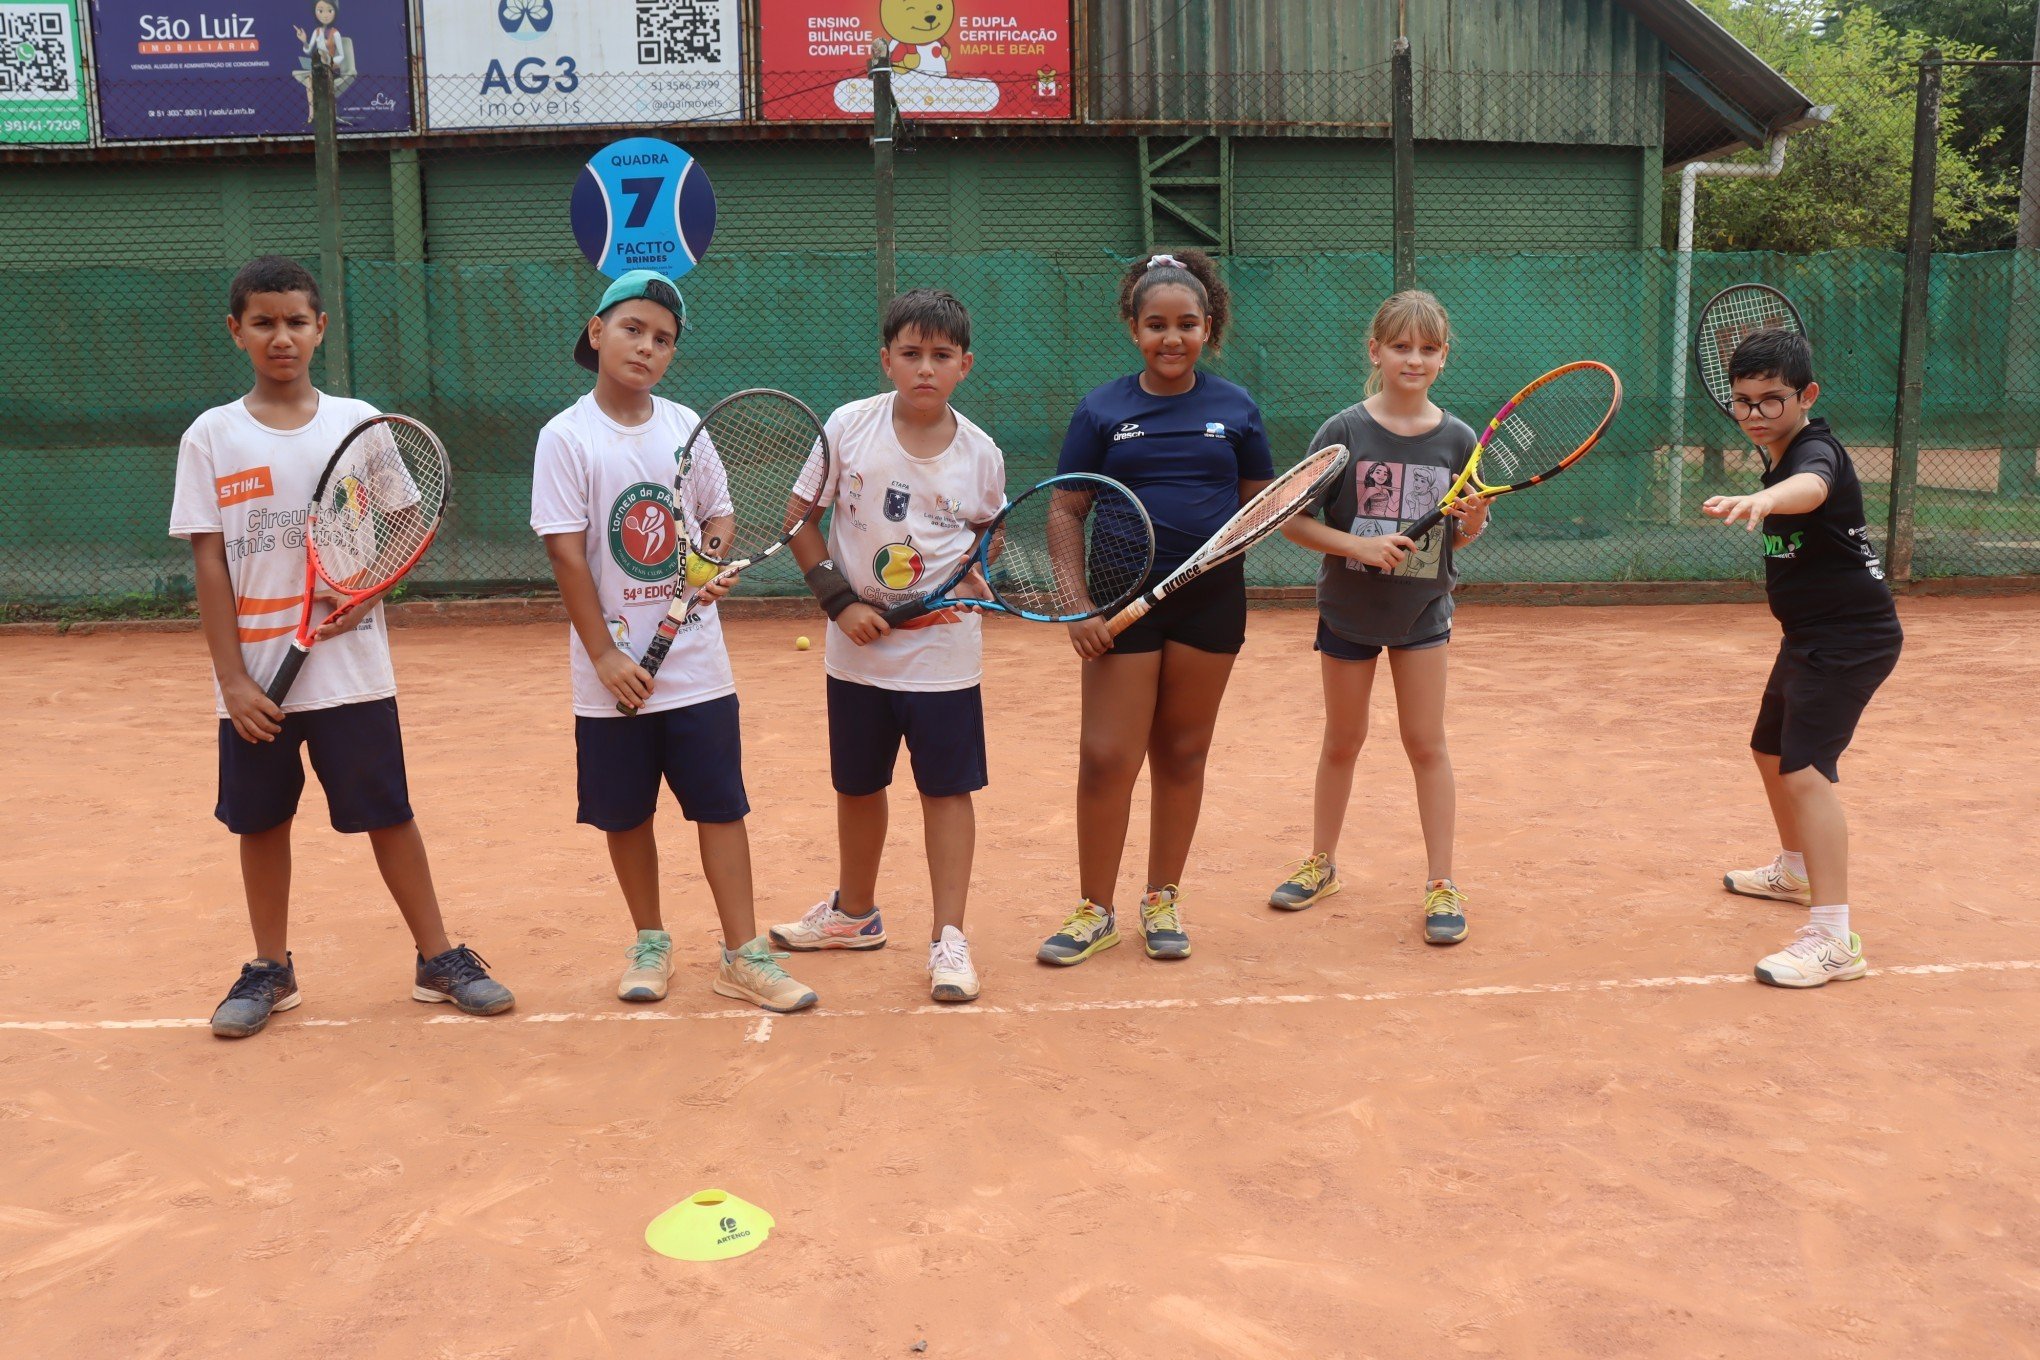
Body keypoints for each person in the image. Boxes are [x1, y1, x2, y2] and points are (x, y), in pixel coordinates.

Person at [170, 254, 513, 1038]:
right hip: (259, 677)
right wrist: (231, 680)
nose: (281, 336)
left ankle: (438, 956)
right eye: (264, 322)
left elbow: (402, 523)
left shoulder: (359, 424)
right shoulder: (212, 437)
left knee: (389, 812)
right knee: (261, 822)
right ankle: (269, 969)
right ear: (237, 332)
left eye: (296, 320)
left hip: (352, 674)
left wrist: (366, 595)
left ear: (320, 328)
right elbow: (209, 559)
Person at [531, 269, 816, 1013]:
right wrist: (604, 656)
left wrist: (709, 562)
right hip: (611, 671)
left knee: (721, 806)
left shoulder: (685, 424)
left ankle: (743, 953)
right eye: (632, 329)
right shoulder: (565, 437)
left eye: (662, 339)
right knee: (625, 814)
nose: (646, 347)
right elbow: (566, 554)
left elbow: (716, 514)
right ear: (596, 333)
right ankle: (650, 939)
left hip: (696, 668)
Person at [1036, 250, 1274, 967]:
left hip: (1210, 605)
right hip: (1118, 600)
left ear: (1209, 328)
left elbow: (1259, 508)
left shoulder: (1236, 409)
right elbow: (1064, 510)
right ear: (1133, 328)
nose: (1172, 338)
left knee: (1182, 752)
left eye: (1187, 325)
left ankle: (1162, 898)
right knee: (1107, 756)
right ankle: (1095, 909)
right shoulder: (1103, 409)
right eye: (1157, 325)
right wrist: (1075, 605)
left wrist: (1229, 549)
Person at [773, 288, 1005, 1003]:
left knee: (946, 790)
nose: (925, 368)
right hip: (856, 650)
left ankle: (949, 940)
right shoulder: (848, 426)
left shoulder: (981, 454)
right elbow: (798, 518)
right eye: (911, 354)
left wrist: (971, 581)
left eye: (941, 356)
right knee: (858, 785)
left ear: (964, 365)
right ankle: (854, 914)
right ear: (887, 359)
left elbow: (984, 543)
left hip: (942, 657)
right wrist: (837, 601)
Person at [1267, 290, 1492, 942]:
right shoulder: (1341, 433)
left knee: (1427, 743)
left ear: (1444, 357)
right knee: (1343, 740)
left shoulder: (1459, 439)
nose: (1413, 359)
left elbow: (1463, 536)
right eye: (1400, 346)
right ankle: (1322, 862)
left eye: (1427, 348)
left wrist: (1472, 522)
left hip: (1423, 612)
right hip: (1348, 609)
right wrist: (1357, 545)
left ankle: (1441, 881)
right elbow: (1294, 521)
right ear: (1375, 351)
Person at [1702, 328, 1902, 988]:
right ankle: (1795, 869)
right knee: (1768, 748)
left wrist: (1765, 498)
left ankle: (1833, 937)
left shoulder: (1813, 450)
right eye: (1743, 401)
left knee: (1807, 769)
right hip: (1810, 635)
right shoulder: (1779, 447)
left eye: (1771, 400)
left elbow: (1812, 488)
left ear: (1806, 395)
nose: (1755, 414)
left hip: (1851, 638)